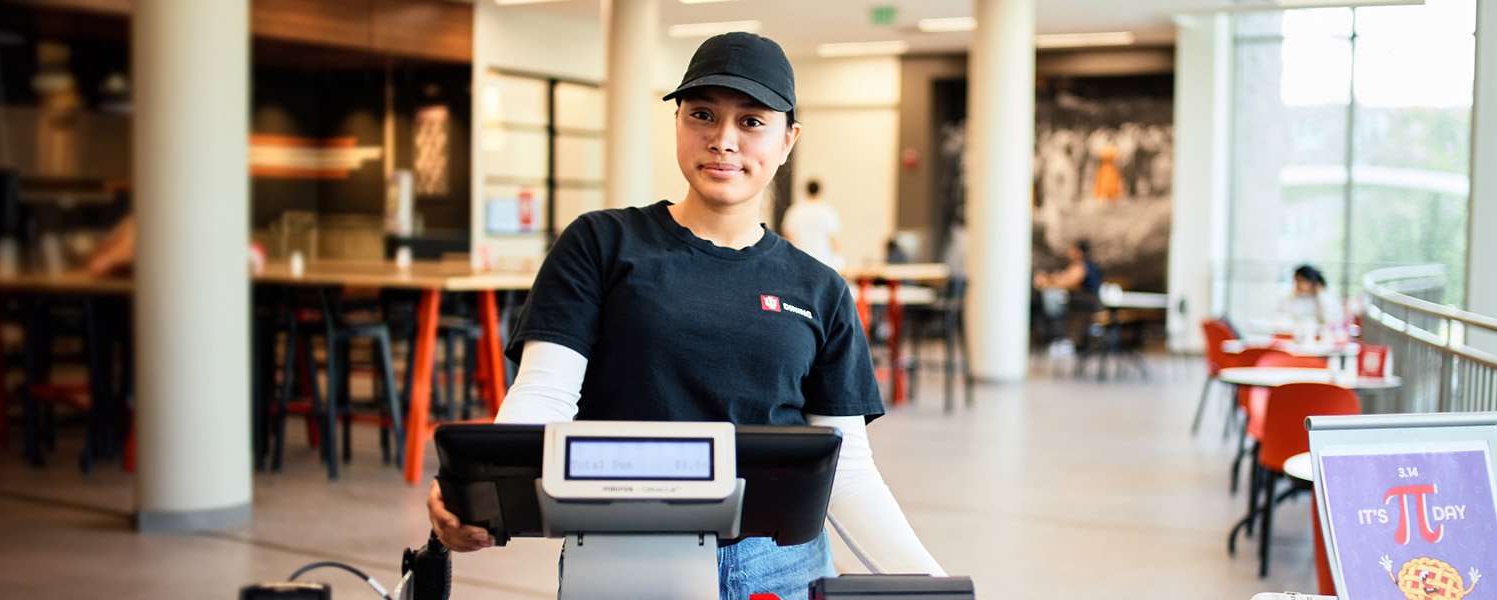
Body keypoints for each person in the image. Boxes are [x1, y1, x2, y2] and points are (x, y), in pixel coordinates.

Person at [425, 32, 944, 599]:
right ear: (678, 121)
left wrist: (933, 583)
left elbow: (844, 470)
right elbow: (545, 395)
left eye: (752, 121)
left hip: (782, 565)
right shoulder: (602, 244)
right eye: (703, 114)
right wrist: (483, 494)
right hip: (624, 550)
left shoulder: (820, 290)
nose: (724, 140)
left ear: (788, 139)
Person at [1033, 240, 1102, 357]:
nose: (1069, 252)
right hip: (1088, 303)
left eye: (1072, 249)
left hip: (1086, 304)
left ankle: (1056, 339)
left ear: (1079, 252)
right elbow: (1063, 279)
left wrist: (1046, 281)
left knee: (1050, 302)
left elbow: (1067, 282)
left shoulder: (1081, 266)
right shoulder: (1086, 265)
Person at [780, 179, 845, 270]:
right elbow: (833, 241)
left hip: (800, 261)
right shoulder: (828, 211)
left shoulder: (795, 211)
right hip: (824, 262)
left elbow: (788, 239)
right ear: (820, 191)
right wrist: (840, 262)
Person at [1279, 264, 1345, 326]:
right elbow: (1283, 315)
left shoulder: (1326, 297)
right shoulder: (1292, 298)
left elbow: (1331, 320)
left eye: (1301, 281)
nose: (1297, 285)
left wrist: (1320, 295)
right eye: (1296, 281)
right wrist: (1292, 295)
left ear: (1312, 282)